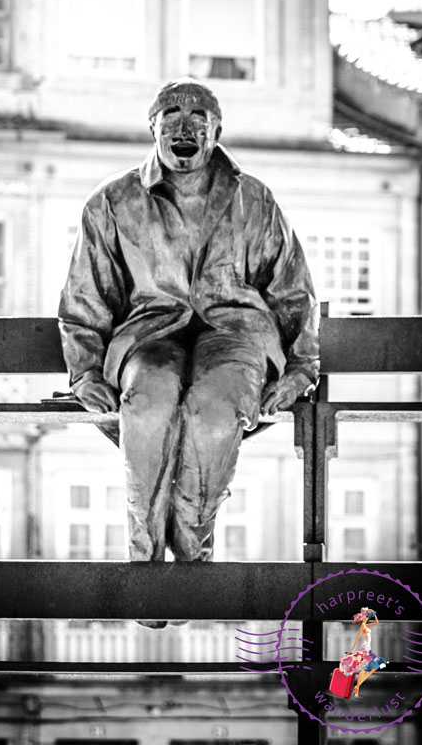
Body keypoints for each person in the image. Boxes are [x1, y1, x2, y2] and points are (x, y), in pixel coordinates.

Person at [58, 78, 319, 568]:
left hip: (236, 336)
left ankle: (192, 558)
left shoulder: (253, 200)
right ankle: (145, 552)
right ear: (152, 128)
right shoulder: (114, 202)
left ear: (217, 130)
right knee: (150, 404)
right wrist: (86, 372)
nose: (184, 126)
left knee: (214, 413)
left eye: (198, 116)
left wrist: (301, 369)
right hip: (150, 337)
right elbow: (86, 295)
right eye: (171, 115)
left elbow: (292, 288)